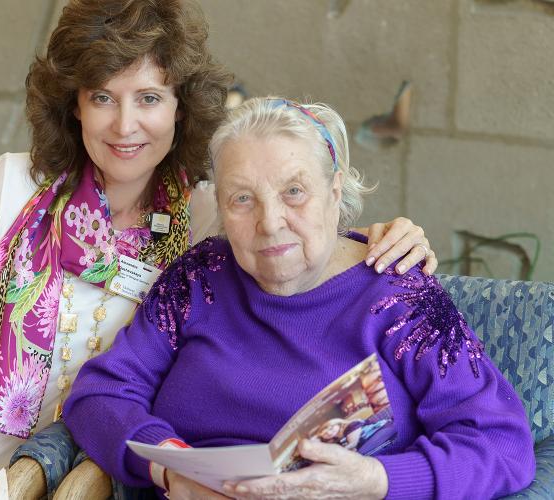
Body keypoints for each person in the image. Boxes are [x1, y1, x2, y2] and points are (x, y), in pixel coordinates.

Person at [0, 1, 435, 498]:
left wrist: (388, 235)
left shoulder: (210, 220)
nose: (125, 125)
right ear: (73, 104)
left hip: (25, 474)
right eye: (102, 97)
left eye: (148, 97)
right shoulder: (14, 183)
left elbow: (294, 233)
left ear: (181, 106)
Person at [63, 97, 536, 499]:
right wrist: (171, 468)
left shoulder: (400, 295)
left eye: (294, 192)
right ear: (220, 206)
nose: (270, 222)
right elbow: (98, 394)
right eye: (242, 199)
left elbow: (502, 444)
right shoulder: (200, 278)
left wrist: (378, 480)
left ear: (334, 192)